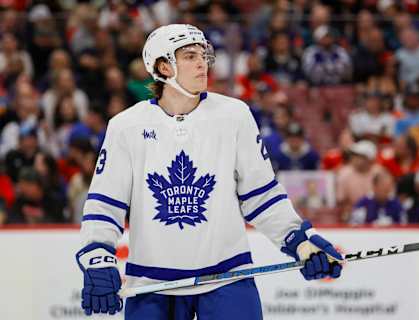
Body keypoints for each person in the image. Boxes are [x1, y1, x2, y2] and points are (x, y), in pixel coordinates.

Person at [75, 24, 343, 319]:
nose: (202, 62)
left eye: (203, 55)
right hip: (151, 284)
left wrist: (300, 241)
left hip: (227, 278)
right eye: (190, 56)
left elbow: (261, 195)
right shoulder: (126, 126)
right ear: (163, 67)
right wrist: (98, 257)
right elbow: (105, 203)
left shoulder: (234, 115)